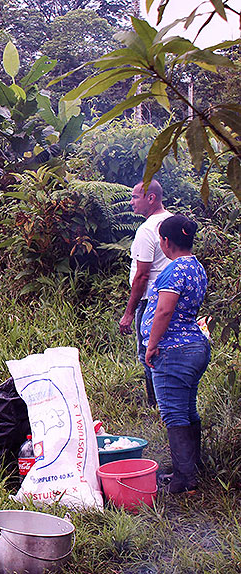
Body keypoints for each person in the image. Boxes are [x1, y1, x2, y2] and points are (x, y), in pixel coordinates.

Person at [140, 215, 209, 494]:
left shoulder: (173, 270)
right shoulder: (197, 268)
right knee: (187, 408)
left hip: (173, 350)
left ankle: (184, 480)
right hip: (196, 346)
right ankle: (192, 468)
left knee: (174, 413)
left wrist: (151, 344)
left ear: (166, 242)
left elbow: (164, 311)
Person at [119, 180, 173, 407]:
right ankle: (169, 400)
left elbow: (142, 275)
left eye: (135, 197)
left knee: (148, 353)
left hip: (151, 301)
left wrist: (129, 312)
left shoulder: (147, 230)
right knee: (168, 348)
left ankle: (156, 405)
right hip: (172, 297)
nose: (131, 202)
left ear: (151, 198)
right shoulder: (172, 221)